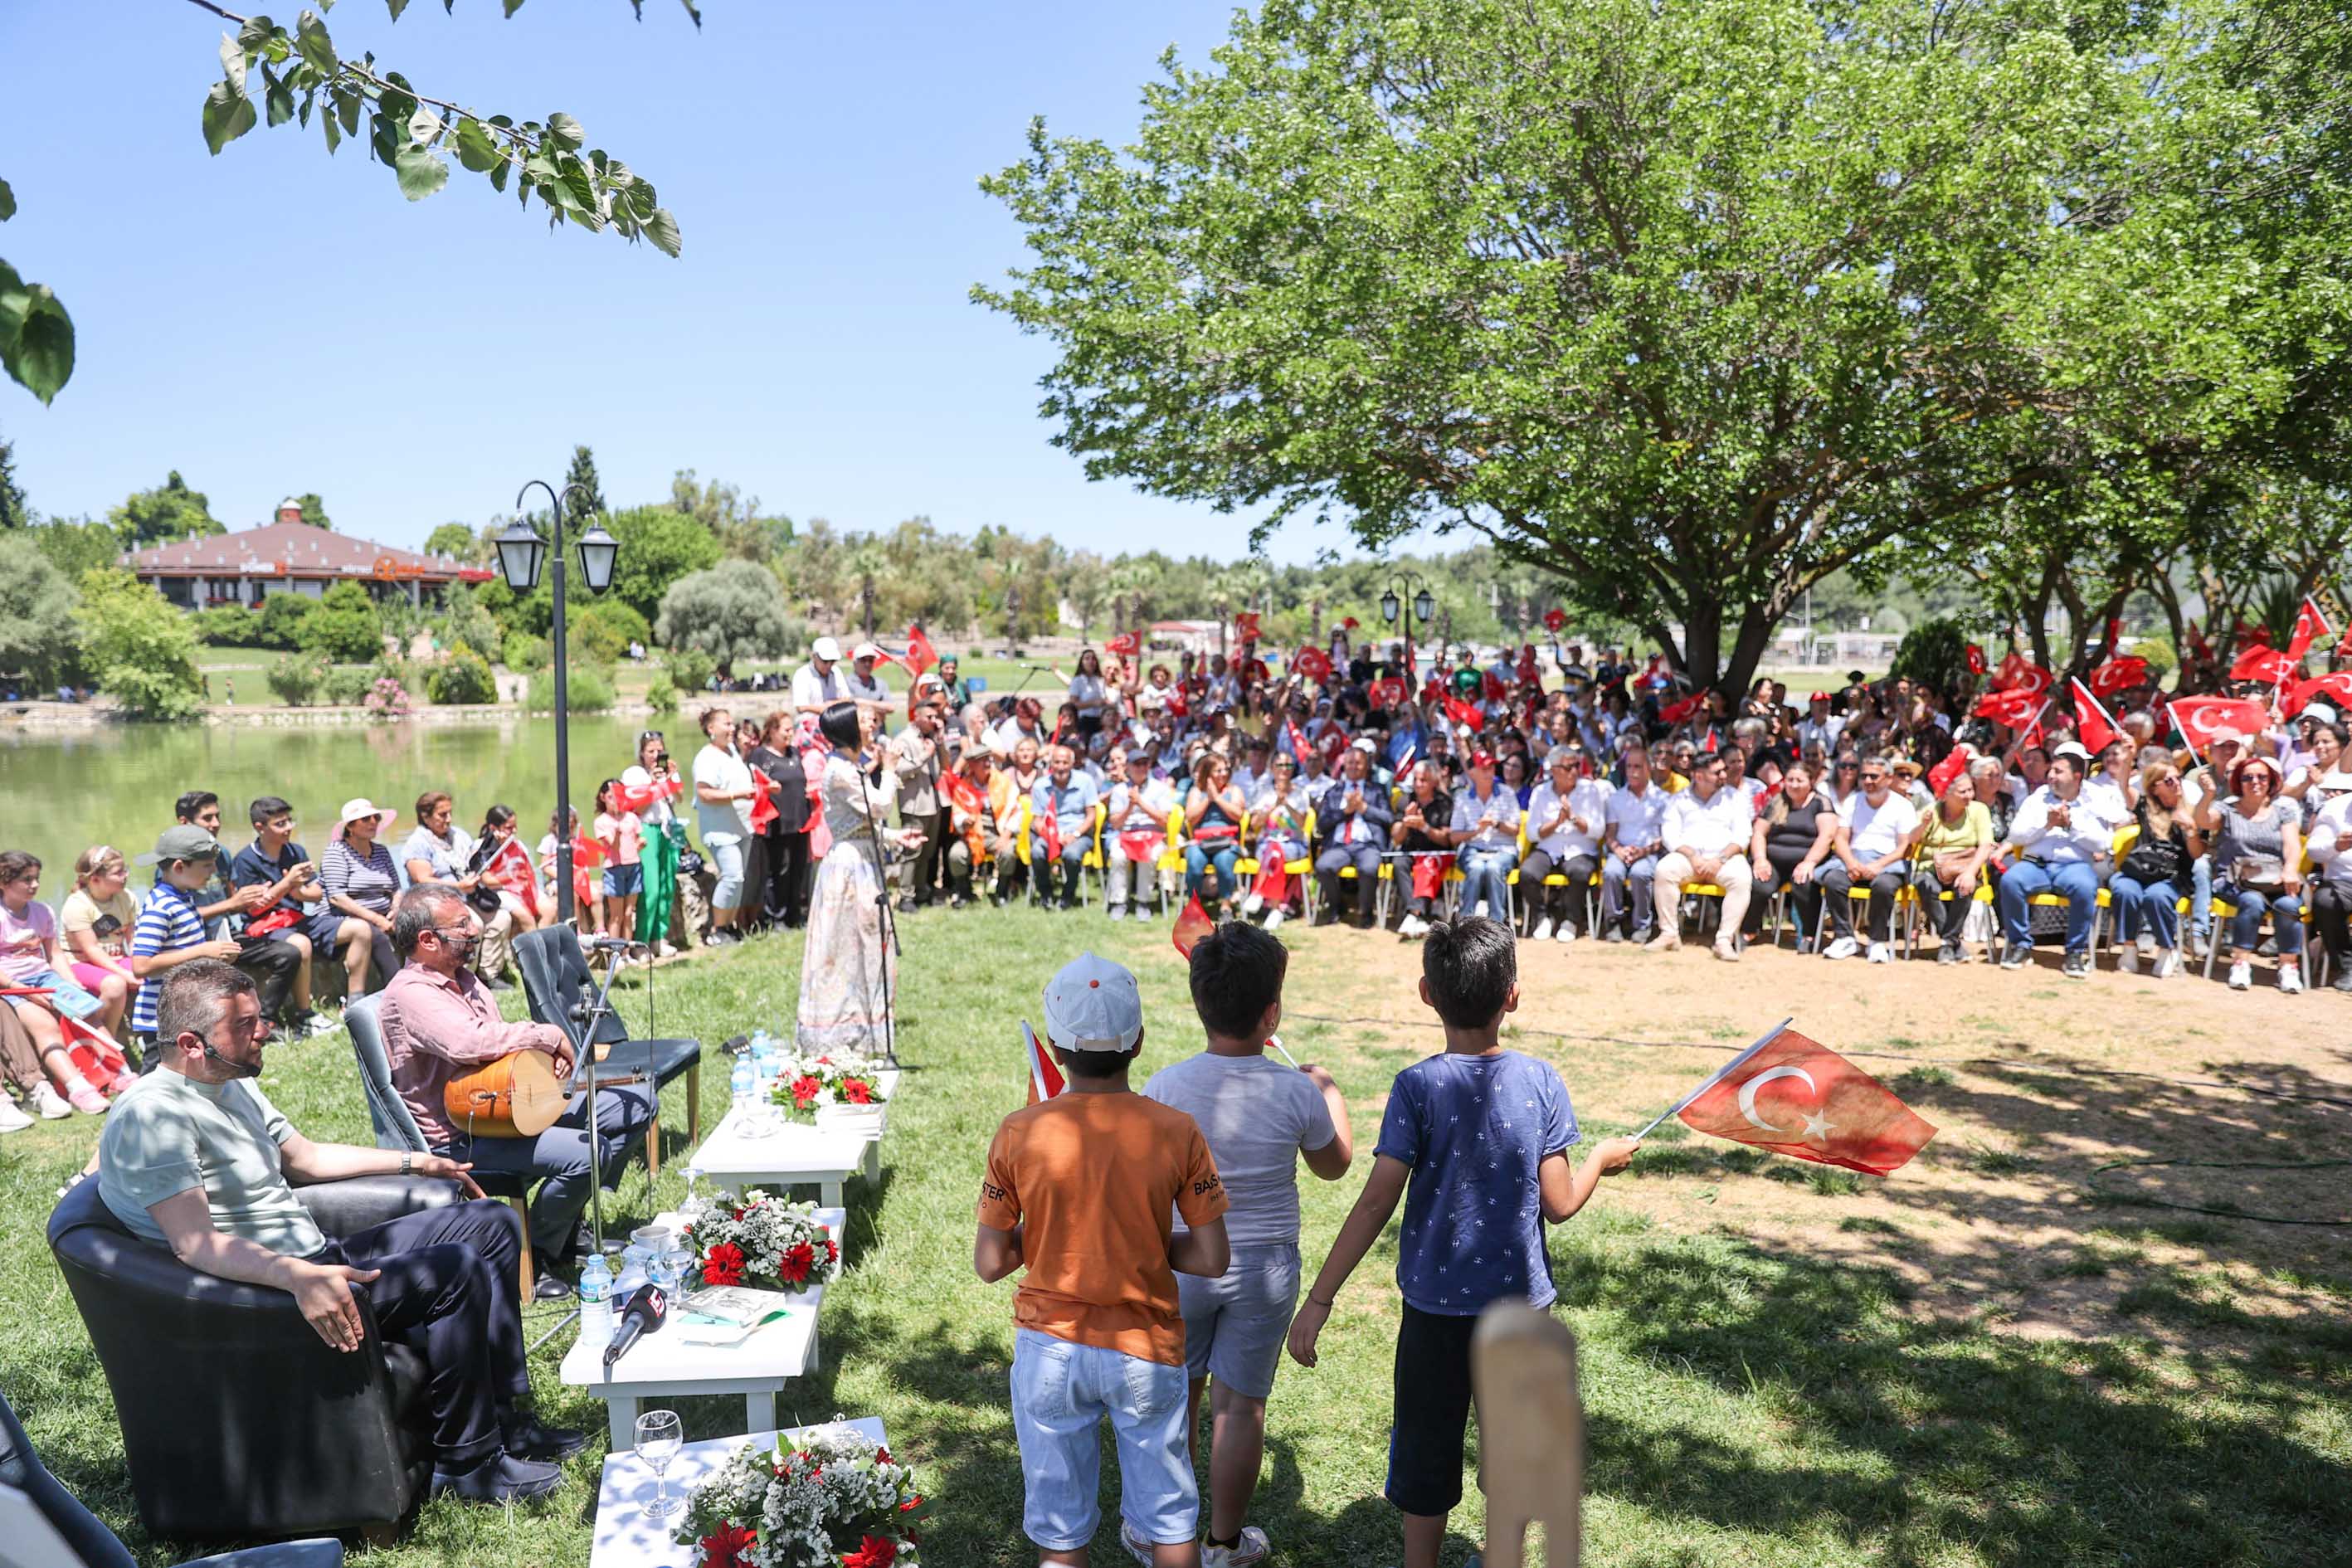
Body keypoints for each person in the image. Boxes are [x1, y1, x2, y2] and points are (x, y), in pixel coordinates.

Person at [99, 958, 584, 1502]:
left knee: (490, 1224)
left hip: (313, 1255)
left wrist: (414, 1163)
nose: (265, 1031)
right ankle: (469, 1464)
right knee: (454, 1270)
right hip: (268, 1295)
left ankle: (508, 1419)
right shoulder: (153, 1117)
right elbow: (195, 1244)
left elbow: (304, 1158)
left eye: (261, 1016)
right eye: (246, 1025)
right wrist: (298, 1278)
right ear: (190, 1043)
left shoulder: (230, 1081)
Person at [1284, 919, 1639, 1568]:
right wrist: (1601, 1161)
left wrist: (1319, 1298)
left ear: (1426, 992)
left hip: (1432, 1316)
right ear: (1512, 995)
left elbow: (1374, 1200)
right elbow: (1559, 1205)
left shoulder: (1416, 1087)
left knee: (1425, 1451)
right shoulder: (1541, 1080)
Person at [973, 952, 1233, 1568]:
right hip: (1146, 1348)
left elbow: (989, 1262)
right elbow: (1211, 1254)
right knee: (1170, 1521)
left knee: (1060, 1536)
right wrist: (1140, 1239)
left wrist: (1044, 1236)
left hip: (1050, 1350)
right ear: (1138, 1042)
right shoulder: (1176, 1130)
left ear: (1056, 1050)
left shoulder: (1018, 1131)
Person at [1141, 924, 1351, 1567]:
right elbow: (1334, 1165)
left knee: (1178, 1394)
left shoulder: (1165, 1089)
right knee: (1241, 1407)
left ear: (1199, 1003)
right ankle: (1223, 1542)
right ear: (1272, 1013)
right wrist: (1330, 1093)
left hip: (1182, 1261)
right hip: (1263, 1270)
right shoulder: (1295, 1090)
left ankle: (1166, 1534)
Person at [379, 884, 654, 1297]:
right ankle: (538, 1251)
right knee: (588, 1151)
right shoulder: (411, 993)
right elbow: (468, 1043)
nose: (474, 932)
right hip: (464, 1135)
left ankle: (567, 1221)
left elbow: (496, 1049)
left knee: (636, 1105)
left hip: (506, 1105)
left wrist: (542, 1068)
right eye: (461, 926)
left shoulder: (464, 979)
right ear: (427, 940)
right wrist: (544, 1034)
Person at [798, 702, 903, 1055]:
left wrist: (894, 838)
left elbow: (858, 822)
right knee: (844, 944)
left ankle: (865, 1026)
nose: (871, 723)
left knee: (867, 941)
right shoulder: (840, 770)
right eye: (862, 720)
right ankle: (837, 1030)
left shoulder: (851, 766)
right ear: (848, 729)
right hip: (848, 866)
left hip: (862, 856)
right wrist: (888, 768)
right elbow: (879, 806)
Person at [1, 850, 126, 1111]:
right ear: (4, 883)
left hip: (46, 977)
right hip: (11, 985)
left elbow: (55, 954)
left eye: (36, 878)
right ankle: (77, 1088)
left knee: (88, 1012)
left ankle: (119, 1071)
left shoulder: (42, 911)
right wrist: (21, 989)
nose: (35, 885)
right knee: (45, 1025)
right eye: (26, 880)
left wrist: (71, 984)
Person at [1999, 742, 2123, 977]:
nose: (2051, 776)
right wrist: (2046, 825)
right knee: (2011, 881)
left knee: (2085, 887)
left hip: (2074, 866)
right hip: (2036, 864)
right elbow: (2016, 834)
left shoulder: (2092, 801)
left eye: (2058, 771)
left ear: (2076, 776)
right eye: (2051, 771)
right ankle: (2021, 946)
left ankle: (2075, 953)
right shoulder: (2038, 798)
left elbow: (2102, 843)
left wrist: (2070, 825)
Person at [227, 797, 348, 1035]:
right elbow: (253, 909)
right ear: (260, 827)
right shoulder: (245, 861)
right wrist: (287, 883)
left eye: (289, 821)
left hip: (297, 918)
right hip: (265, 926)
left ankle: (355, 1001)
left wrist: (297, 890)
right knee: (301, 945)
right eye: (280, 824)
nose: (288, 828)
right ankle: (305, 1016)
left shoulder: (296, 851)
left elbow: (316, 894)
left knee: (359, 930)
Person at [2195, 754, 2306, 993]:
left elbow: (2292, 844)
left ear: (2271, 780)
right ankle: (2241, 963)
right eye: (2248, 777)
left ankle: (2289, 968)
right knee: (2252, 902)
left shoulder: (2282, 810)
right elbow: (2203, 821)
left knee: (2289, 906)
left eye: (2261, 777)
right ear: (2238, 781)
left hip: (2273, 879)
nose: (2255, 782)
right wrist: (2208, 795)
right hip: (2235, 880)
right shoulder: (2227, 808)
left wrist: (2290, 870)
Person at [401, 793, 519, 989]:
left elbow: (475, 858)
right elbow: (422, 880)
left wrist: (491, 844)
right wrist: (458, 886)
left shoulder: (458, 835)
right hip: (437, 903)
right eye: (442, 815)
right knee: (475, 925)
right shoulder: (418, 843)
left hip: (467, 896)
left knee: (501, 919)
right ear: (425, 816)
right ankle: (462, 978)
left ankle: (488, 974)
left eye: (449, 813)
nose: (448, 819)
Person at [1648, 750, 1753, 962]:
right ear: (1698, 776)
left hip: (1724, 859)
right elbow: (1670, 835)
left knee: (1742, 878)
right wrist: (1693, 856)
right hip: (1688, 859)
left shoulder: (1735, 798)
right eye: (1717, 772)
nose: (1724, 775)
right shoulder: (1678, 800)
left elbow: (1743, 836)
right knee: (1664, 870)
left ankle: (1724, 940)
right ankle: (1669, 934)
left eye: (1724, 770)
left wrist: (1720, 859)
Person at [1819, 755, 1922, 963]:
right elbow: (1840, 837)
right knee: (1833, 880)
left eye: (1874, 777)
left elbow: (1905, 846)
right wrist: (1851, 863)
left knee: (1884, 886)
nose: (1868, 781)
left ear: (1888, 778)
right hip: (1855, 858)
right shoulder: (1852, 801)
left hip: (1889, 861)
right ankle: (1844, 937)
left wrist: (1879, 865)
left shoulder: (1902, 806)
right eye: (1864, 776)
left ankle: (1877, 941)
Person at [2111, 758, 2200, 979]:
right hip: (2139, 871)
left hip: (2173, 876)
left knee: (2156, 896)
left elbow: (2197, 854)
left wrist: (2190, 830)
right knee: (2124, 889)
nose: (2176, 783)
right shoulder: (2145, 807)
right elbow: (2123, 786)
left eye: (2178, 778)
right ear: (2154, 787)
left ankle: (2167, 949)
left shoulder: (2194, 812)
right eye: (2168, 780)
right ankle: (2129, 947)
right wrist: (2128, 755)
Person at [1745, 760, 1837, 948]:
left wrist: (1809, 862)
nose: (1794, 785)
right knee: (1759, 885)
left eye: (1799, 780)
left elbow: (1826, 836)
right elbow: (1759, 832)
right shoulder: (1777, 801)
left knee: (1804, 884)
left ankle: (1809, 935)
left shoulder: (1821, 803)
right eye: (1790, 780)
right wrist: (1760, 859)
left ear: (1810, 782)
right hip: (1774, 862)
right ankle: (1749, 930)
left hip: (1807, 861)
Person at [1906, 768, 1994, 964]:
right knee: (1925, 886)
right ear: (1947, 793)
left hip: (1965, 865)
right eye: (1962, 792)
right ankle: (1953, 943)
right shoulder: (1932, 810)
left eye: (1970, 790)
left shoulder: (1979, 810)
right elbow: (1912, 840)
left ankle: (1947, 942)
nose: (1968, 796)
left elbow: (1986, 845)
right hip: (1931, 866)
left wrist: (1971, 872)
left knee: (1964, 888)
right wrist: (1923, 825)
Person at [689, 704, 759, 947]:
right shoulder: (706, 757)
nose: (732, 728)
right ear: (711, 728)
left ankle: (730, 927)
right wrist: (738, 795)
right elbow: (704, 793)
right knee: (732, 876)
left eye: (732, 724)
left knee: (739, 880)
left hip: (742, 827)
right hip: (720, 830)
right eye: (726, 724)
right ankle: (716, 930)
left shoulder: (731, 751)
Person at [319, 798, 403, 997]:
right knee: (376, 935)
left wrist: (396, 908)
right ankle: (397, 993)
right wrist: (376, 919)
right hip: (344, 918)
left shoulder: (381, 851)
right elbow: (337, 897)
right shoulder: (336, 851)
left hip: (384, 914)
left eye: (376, 817)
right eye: (365, 819)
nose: (373, 822)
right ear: (350, 826)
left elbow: (397, 888)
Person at [60, 845, 140, 1035]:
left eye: (125, 869)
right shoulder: (77, 904)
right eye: (118, 873)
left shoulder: (127, 898)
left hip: (117, 959)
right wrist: (125, 974)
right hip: (81, 963)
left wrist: (141, 966)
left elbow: (133, 939)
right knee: (115, 985)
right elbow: (92, 950)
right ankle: (107, 1041)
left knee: (153, 974)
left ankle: (149, 1036)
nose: (125, 875)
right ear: (95, 879)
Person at [1313, 741, 1394, 929]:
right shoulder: (1334, 791)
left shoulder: (1377, 790)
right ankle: (1337, 907)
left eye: (1358, 763)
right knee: (1323, 866)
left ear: (1366, 765)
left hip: (1368, 845)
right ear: (1344, 765)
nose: (1353, 766)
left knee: (1368, 869)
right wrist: (1346, 811)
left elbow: (1389, 818)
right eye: (1349, 762)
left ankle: (1366, 913)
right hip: (1339, 845)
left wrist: (1364, 808)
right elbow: (1322, 824)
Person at [743, 713, 814, 928]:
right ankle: (776, 917)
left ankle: (794, 915)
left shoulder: (794, 753)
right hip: (777, 824)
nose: (790, 733)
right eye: (785, 729)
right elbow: (754, 785)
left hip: (800, 822)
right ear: (772, 730)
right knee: (778, 872)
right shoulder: (760, 756)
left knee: (797, 870)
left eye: (791, 729)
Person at [626, 729, 687, 957]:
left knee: (666, 886)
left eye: (659, 750)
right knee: (650, 888)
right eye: (650, 751)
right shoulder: (635, 774)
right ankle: (640, 941)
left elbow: (679, 798)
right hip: (646, 829)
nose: (655, 755)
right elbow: (636, 808)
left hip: (667, 830)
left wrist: (671, 778)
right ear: (641, 753)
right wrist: (652, 781)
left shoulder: (667, 771)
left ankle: (658, 938)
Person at [1600, 744, 1666, 942]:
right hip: (1620, 850)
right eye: (1629, 767)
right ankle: (1613, 923)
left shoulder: (1662, 799)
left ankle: (1642, 925)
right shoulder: (1616, 799)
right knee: (1611, 872)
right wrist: (1618, 850)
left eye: (1637, 766)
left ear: (1648, 768)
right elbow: (1609, 833)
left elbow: (1665, 837)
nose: (1632, 772)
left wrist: (1644, 851)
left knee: (1641, 873)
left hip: (1649, 853)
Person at [1239, 750, 1311, 933]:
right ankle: (1276, 909)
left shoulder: (1301, 793)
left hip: (1294, 844)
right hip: (1266, 844)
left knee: (1276, 851)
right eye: (1280, 765)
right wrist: (1274, 805)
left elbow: (1302, 825)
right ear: (1272, 768)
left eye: (1288, 765)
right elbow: (1254, 825)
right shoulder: (1263, 792)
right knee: (1274, 851)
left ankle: (1258, 891)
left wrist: (1286, 804)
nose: (1284, 769)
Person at [890, 696, 952, 908]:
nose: (934, 721)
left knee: (927, 853)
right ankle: (905, 895)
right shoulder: (904, 739)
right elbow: (899, 770)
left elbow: (945, 765)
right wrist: (925, 755)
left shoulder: (932, 739)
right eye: (929, 717)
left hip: (933, 804)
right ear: (916, 717)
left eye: (936, 716)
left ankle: (921, 891)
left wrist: (940, 741)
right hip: (914, 805)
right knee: (911, 853)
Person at [1445, 750, 1520, 923]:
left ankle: (1496, 925)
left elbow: (1516, 829)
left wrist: (1495, 823)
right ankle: (1465, 924)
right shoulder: (1463, 798)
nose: (1489, 772)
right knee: (1477, 867)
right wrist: (1476, 832)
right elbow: (1454, 837)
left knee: (1494, 867)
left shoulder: (1506, 793)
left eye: (1491, 768)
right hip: (1473, 849)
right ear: (1472, 772)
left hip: (1503, 850)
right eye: (1484, 768)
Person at [1107, 748, 1178, 920]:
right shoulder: (1118, 790)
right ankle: (1119, 902)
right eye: (1136, 764)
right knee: (1117, 855)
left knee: (1150, 856)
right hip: (1127, 834)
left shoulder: (1160, 788)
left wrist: (1140, 803)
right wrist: (1130, 806)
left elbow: (1164, 820)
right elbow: (1115, 823)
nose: (1141, 768)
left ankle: (1143, 902)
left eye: (1144, 764)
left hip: (1152, 835)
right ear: (1128, 768)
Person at [1030, 743, 1101, 911]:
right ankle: (1045, 894)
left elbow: (1092, 815)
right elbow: (1037, 820)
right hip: (1051, 834)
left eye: (1064, 762)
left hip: (1079, 834)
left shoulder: (1085, 781)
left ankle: (1068, 895)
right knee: (1037, 852)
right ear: (1051, 764)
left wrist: (1074, 835)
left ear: (1072, 764)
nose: (1060, 767)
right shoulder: (1040, 786)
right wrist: (1051, 837)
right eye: (1057, 762)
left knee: (1071, 855)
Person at [1389, 762, 1454, 941]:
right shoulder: (1405, 800)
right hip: (1411, 851)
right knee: (1399, 863)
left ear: (1434, 781)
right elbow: (1397, 838)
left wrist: (1424, 827)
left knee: (1427, 864)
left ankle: (1413, 914)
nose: (1418, 784)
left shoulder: (1444, 803)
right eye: (1416, 780)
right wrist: (1406, 822)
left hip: (1437, 853)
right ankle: (1416, 915)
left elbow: (1446, 839)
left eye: (1423, 780)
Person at [2305, 768, 2352, 993]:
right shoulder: (2335, 808)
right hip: (2343, 881)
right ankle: (2347, 966)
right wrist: (2336, 845)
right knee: (2325, 902)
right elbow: (2313, 851)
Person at [1185, 754, 1249, 916]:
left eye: (1225, 770)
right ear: (1208, 772)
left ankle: (1226, 905)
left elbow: (1238, 814)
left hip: (1227, 842)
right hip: (1202, 842)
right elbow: (1190, 818)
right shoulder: (1196, 791)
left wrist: (1218, 799)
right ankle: (1194, 905)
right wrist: (1208, 799)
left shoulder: (1234, 791)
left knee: (1224, 862)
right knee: (1193, 862)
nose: (1223, 774)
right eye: (1218, 770)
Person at [592, 778, 645, 945]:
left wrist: (640, 844)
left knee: (629, 913)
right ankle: (615, 950)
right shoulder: (602, 822)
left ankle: (627, 950)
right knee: (617, 915)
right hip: (614, 868)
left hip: (633, 865)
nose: (615, 800)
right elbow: (612, 847)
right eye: (610, 797)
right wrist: (617, 834)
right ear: (603, 797)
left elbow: (637, 840)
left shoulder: (631, 817)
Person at [791, 635, 849, 716]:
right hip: (808, 723)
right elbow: (801, 707)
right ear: (814, 656)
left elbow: (847, 698)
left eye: (832, 661)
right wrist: (830, 706)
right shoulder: (802, 674)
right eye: (825, 661)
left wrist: (830, 704)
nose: (829, 665)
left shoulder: (836, 671)